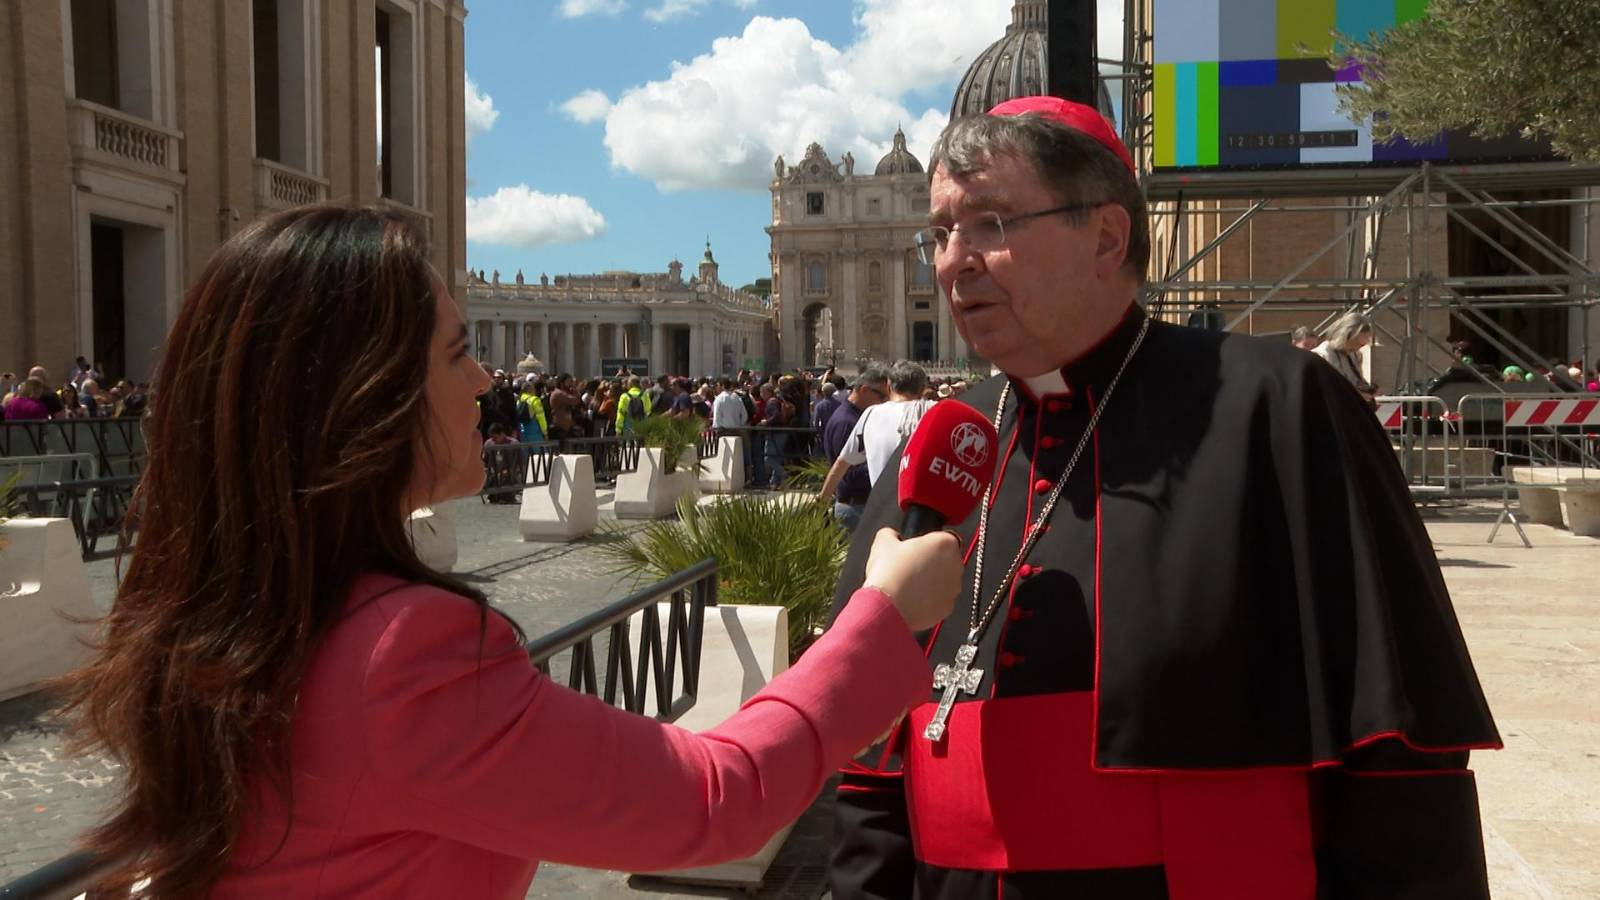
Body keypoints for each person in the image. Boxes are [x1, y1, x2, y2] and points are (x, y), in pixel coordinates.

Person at [52, 205, 964, 898]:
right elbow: (712, 803)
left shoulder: (224, 611)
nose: (485, 380)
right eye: (456, 354)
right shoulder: (402, 654)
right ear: (365, 399)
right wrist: (877, 620)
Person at [825, 97, 1500, 899]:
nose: (953, 261)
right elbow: (871, 765)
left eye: (991, 224)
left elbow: (1401, 754)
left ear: (1107, 237)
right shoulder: (946, 441)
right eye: (941, 233)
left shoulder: (1280, 408)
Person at [817, 361, 932, 513]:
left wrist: (821, 503)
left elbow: (841, 464)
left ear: (890, 385)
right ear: (923, 389)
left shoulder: (872, 413)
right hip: (920, 509)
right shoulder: (935, 410)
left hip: (881, 509)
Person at [818, 367, 890, 530]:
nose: (885, 401)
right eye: (882, 396)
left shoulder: (856, 417)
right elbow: (850, 473)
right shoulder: (847, 422)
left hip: (858, 505)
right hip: (854, 507)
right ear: (864, 390)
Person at [1313, 311, 1379, 406]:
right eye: (1355, 344)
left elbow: (1356, 382)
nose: (1357, 349)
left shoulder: (1356, 355)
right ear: (1344, 336)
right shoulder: (1321, 355)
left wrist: (1369, 391)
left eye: (1361, 345)